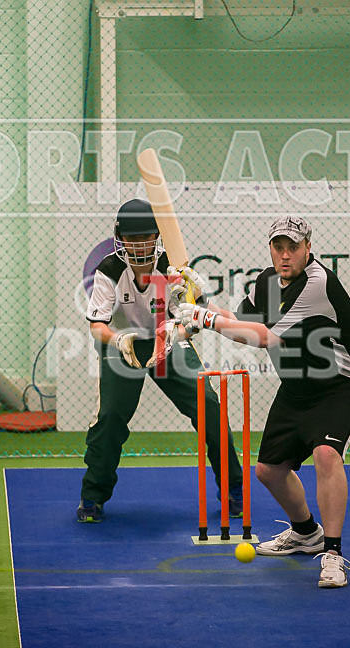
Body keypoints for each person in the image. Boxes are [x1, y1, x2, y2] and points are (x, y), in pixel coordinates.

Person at [174, 215, 350, 588]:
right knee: (269, 470)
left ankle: (332, 554)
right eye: (278, 247)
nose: (285, 255)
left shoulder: (317, 283)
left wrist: (205, 318)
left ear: (308, 248)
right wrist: (199, 306)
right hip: (299, 385)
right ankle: (306, 533)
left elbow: (264, 337)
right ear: (271, 248)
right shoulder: (267, 282)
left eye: (293, 247)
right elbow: (239, 321)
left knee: (326, 455)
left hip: (345, 384)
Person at [77, 198, 243, 523]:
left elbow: (195, 318)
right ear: (120, 239)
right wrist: (119, 340)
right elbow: (97, 326)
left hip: (167, 339)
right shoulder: (109, 270)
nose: (139, 245)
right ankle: (93, 495)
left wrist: (181, 328)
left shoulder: (173, 267)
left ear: (157, 236)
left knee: (209, 405)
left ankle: (234, 489)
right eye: (132, 238)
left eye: (145, 237)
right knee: (109, 418)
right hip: (122, 344)